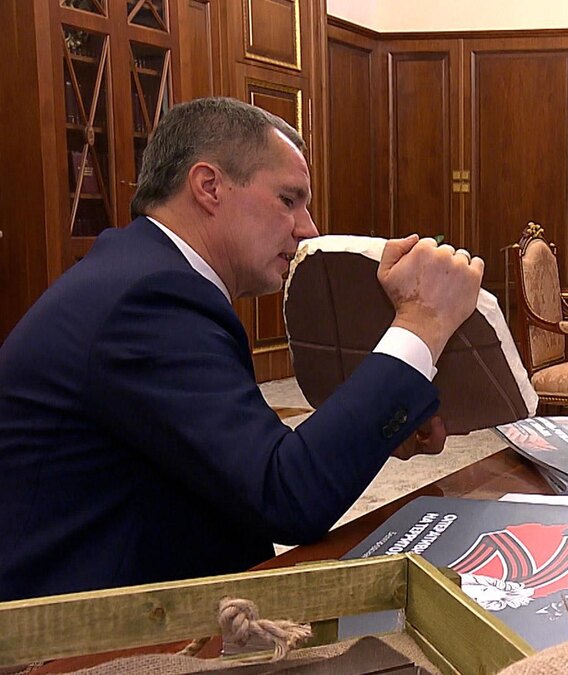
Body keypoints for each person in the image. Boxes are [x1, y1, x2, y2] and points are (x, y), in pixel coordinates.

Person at [0, 97, 485, 601]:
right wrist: (422, 321)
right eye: (288, 200)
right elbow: (287, 495)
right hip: (75, 629)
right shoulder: (148, 299)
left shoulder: (143, 273)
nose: (308, 227)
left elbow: (246, 460)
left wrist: (375, 430)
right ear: (209, 186)